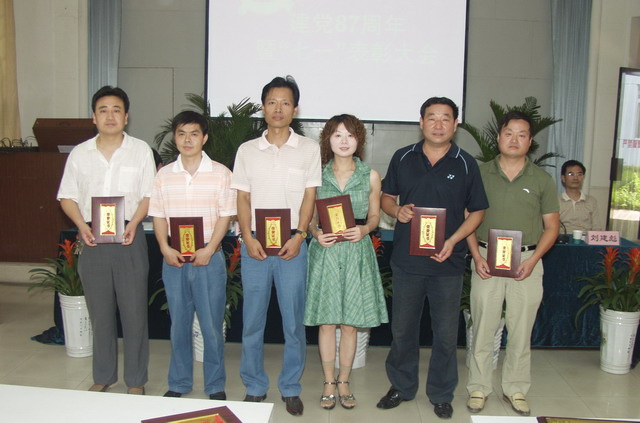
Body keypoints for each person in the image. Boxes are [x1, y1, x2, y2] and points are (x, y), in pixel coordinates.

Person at [376, 97, 488, 419]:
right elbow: (386, 197)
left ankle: (441, 393)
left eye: (445, 118)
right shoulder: (403, 157)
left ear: (455, 124)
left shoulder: (465, 163)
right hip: (407, 263)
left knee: (446, 334)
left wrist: (453, 241)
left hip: (447, 264)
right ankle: (401, 386)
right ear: (421, 122)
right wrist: (396, 210)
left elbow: (477, 211)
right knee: (403, 330)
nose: (438, 124)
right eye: (432, 117)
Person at [231, 76, 321, 416]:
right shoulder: (247, 151)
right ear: (263, 107)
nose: (278, 108)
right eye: (272, 102)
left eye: (285, 102)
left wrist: (300, 236)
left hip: (292, 246)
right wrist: (247, 237)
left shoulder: (309, 149)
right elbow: (242, 198)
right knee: (252, 320)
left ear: (295, 109)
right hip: (255, 244)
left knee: (293, 323)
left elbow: (310, 196)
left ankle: (290, 387)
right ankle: (254, 385)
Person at [57, 86, 155, 394]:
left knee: (134, 313)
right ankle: (103, 376)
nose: (110, 116)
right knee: (100, 314)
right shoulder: (79, 154)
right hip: (92, 238)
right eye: (103, 110)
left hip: (130, 237)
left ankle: (136, 380)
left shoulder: (140, 150)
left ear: (126, 117)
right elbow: (67, 196)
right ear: (93, 117)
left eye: (116, 110)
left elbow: (150, 195)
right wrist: (80, 226)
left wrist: (135, 223)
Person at [465, 111, 560, 416]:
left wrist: (534, 260)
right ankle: (478, 387)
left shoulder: (542, 179)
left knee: (521, 330)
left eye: (522, 135)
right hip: (486, 259)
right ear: (498, 137)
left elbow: (552, 227)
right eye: (509, 133)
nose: (514, 139)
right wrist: (476, 256)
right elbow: (467, 219)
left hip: (527, 262)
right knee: (483, 327)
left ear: (530, 141)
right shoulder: (479, 174)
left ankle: (516, 388)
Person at [148, 111, 236, 400]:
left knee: (211, 326)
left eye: (194, 133)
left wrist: (210, 249)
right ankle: (179, 383)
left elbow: (226, 216)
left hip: (208, 258)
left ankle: (215, 385)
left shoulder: (221, 174)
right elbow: (158, 215)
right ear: (175, 138)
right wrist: (164, 248)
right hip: (174, 258)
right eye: (182, 134)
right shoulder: (163, 175)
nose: (188, 140)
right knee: (179, 325)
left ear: (204, 137)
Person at [304, 114, 389, 411]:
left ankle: (344, 381)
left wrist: (365, 229)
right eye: (337, 134)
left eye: (350, 135)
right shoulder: (316, 174)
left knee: (350, 324)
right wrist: (315, 233)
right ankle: (329, 382)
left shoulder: (370, 175)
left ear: (359, 140)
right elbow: (310, 217)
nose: (344, 141)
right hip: (326, 253)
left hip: (356, 251)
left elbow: (375, 216)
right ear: (328, 139)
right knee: (327, 322)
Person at [559, 159, 602, 232]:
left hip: (585, 238)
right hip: (563, 238)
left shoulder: (591, 201)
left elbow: (597, 228)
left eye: (579, 174)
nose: (575, 178)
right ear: (563, 178)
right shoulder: (555, 201)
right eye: (571, 174)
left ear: (583, 177)